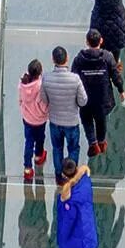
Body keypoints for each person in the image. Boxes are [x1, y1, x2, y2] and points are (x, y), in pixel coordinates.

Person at [71, 29, 122, 155]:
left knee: (86, 119)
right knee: (101, 119)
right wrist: (121, 89)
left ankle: (92, 143)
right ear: (101, 41)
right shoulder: (108, 57)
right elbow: (115, 75)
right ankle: (101, 142)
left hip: (85, 97)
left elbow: (73, 78)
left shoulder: (79, 59)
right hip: (103, 98)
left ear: (87, 42)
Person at [41, 45, 88, 173]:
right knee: (73, 149)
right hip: (71, 122)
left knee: (57, 149)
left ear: (53, 59)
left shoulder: (46, 78)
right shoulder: (75, 79)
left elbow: (44, 100)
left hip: (55, 122)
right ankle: (71, 174)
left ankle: (59, 175)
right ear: (67, 59)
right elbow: (83, 101)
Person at [55, 159, 98, 248]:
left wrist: (63, 235)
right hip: (86, 225)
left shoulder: (69, 199)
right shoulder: (85, 181)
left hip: (78, 232)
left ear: (64, 175)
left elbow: (68, 220)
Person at [18, 58, 49, 183]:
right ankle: (38, 156)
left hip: (27, 118)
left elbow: (20, 100)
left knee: (28, 141)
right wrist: (47, 111)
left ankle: (27, 168)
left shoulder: (22, 84)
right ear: (40, 72)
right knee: (40, 138)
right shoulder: (40, 86)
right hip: (39, 120)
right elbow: (43, 105)